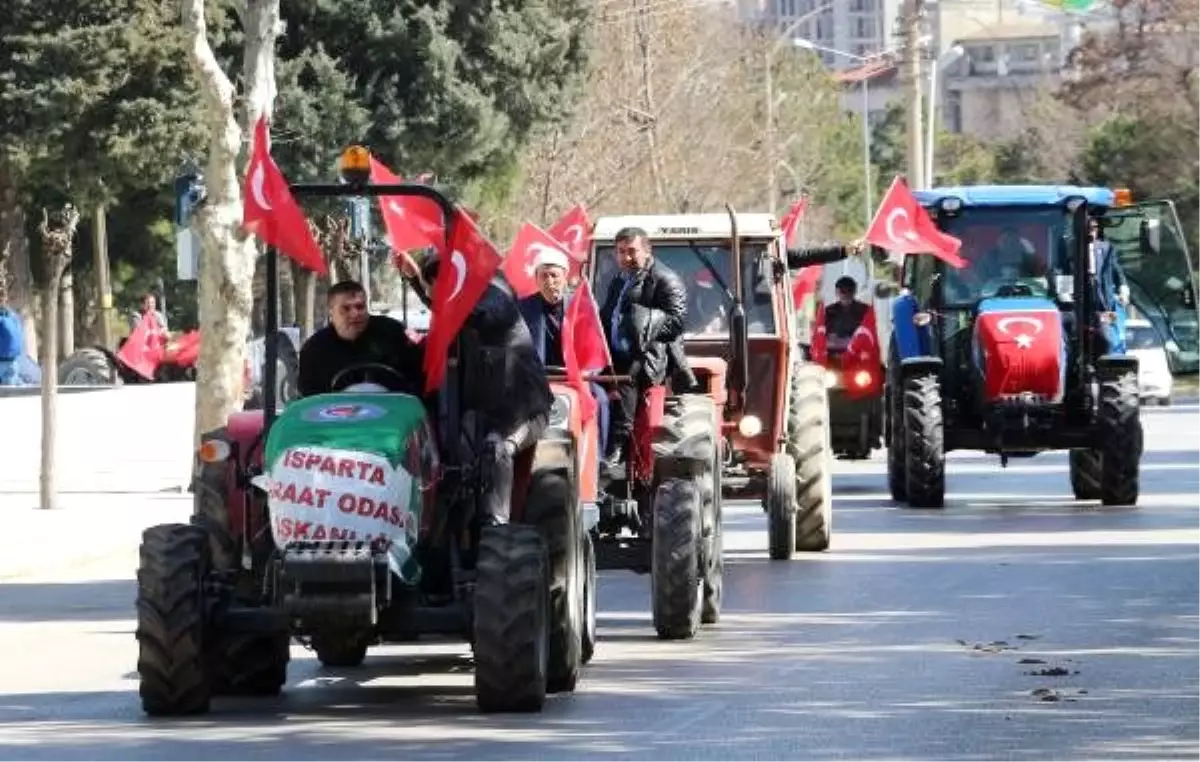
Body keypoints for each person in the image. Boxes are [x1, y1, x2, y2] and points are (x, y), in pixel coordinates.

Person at [419, 255, 554, 526]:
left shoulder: (495, 293)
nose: (433, 295)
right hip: (481, 409)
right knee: (449, 453)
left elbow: (481, 313)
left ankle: (495, 527)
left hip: (522, 410)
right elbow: (447, 308)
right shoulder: (457, 305)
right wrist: (413, 279)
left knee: (495, 447)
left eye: (440, 284)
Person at [598, 226, 695, 470]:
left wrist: (645, 328)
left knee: (628, 378)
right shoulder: (619, 280)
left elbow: (676, 323)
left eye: (632, 251)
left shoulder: (665, 279)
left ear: (647, 250)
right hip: (614, 353)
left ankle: (619, 446)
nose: (626, 258)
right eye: (620, 252)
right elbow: (608, 314)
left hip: (647, 357)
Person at [517, 246, 611, 462]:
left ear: (565, 276)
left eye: (554, 276)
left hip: (577, 376)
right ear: (536, 278)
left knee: (601, 399)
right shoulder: (523, 307)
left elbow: (595, 347)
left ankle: (597, 459)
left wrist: (587, 372)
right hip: (537, 377)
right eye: (544, 276)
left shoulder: (583, 305)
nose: (550, 282)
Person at [297, 280, 425, 396]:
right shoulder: (314, 349)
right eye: (346, 308)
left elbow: (418, 376)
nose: (355, 313)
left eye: (360, 307)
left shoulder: (393, 332)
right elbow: (309, 396)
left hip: (392, 413)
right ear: (331, 311)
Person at [1089, 216, 1131, 354]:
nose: (1091, 232)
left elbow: (1116, 270)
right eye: (1088, 229)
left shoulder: (1106, 247)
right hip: (1080, 302)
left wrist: (1123, 289)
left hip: (1103, 302)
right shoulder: (1072, 248)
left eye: (1093, 228)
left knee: (1107, 338)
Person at [822, 276, 869, 358]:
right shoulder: (828, 311)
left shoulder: (865, 310)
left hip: (858, 356)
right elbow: (823, 335)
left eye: (850, 290)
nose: (846, 294)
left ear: (854, 291)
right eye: (843, 291)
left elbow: (870, 335)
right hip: (834, 356)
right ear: (837, 292)